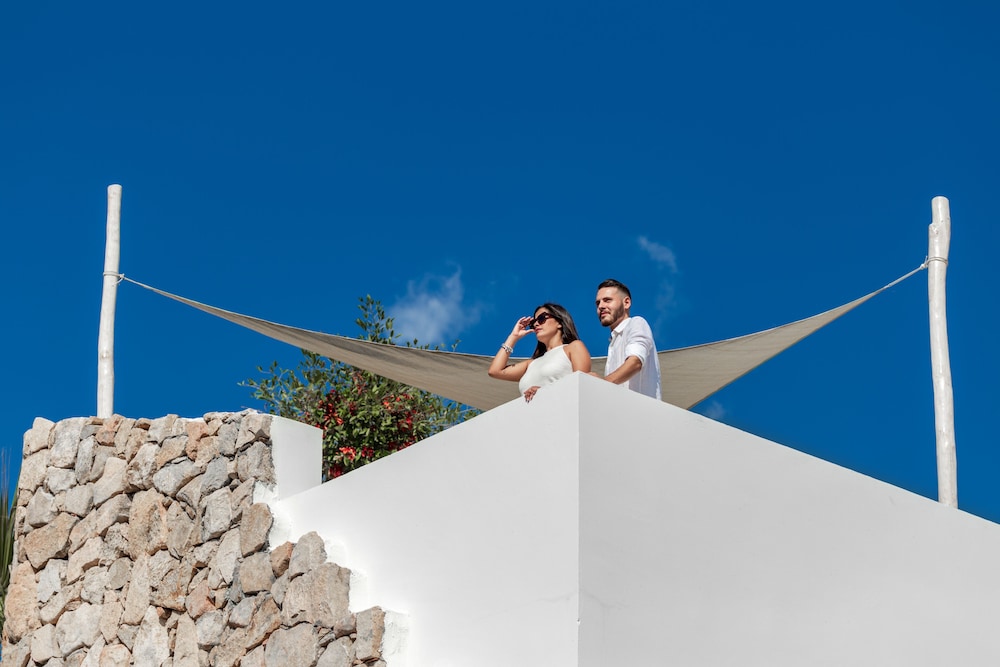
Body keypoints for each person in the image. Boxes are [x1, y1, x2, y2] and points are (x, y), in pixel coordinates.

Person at [488, 303, 592, 402]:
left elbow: (582, 385)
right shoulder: (531, 364)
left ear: (559, 323)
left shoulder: (574, 347)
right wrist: (513, 337)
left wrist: (547, 392)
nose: (536, 324)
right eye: (533, 323)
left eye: (542, 318)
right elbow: (495, 371)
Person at [595, 279, 661, 399]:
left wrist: (602, 384)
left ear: (626, 303)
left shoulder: (636, 323)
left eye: (607, 300)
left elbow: (635, 362)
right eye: (598, 303)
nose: (601, 306)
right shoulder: (613, 343)